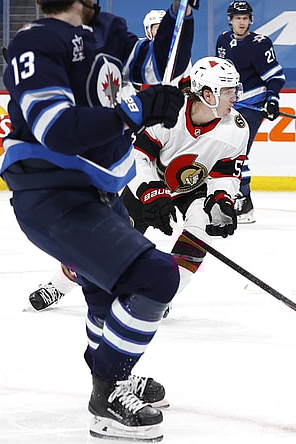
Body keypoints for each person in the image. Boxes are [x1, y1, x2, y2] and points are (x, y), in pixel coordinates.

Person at [0, 0, 196, 441]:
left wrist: (178, 16)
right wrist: (133, 110)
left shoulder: (104, 29)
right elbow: (57, 128)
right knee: (157, 278)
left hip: (98, 190)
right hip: (52, 193)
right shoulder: (34, 42)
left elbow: (157, 64)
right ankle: (107, 395)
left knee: (103, 292)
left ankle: (114, 373)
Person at [28, 56, 248, 315]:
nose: (234, 97)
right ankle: (59, 284)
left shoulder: (236, 127)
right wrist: (152, 192)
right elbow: (138, 156)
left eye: (234, 90)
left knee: (200, 233)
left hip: (194, 188)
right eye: (228, 91)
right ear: (207, 94)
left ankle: (161, 295)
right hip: (149, 181)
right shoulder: (170, 112)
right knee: (106, 244)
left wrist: (223, 199)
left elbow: (225, 173)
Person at [216, 0, 286, 224]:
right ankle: (226, 196)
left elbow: (275, 76)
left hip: (253, 104)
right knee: (221, 148)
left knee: (238, 150)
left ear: (250, 20)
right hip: (230, 103)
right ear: (231, 20)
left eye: (245, 18)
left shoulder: (260, 43)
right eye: (238, 18)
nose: (242, 22)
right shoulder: (223, 40)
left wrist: (272, 99)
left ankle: (244, 203)